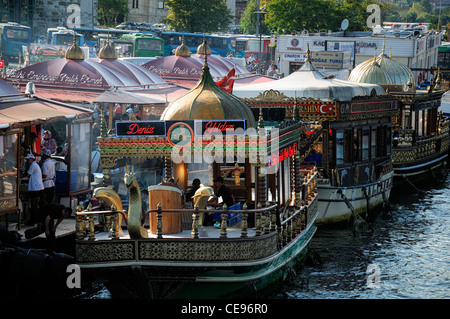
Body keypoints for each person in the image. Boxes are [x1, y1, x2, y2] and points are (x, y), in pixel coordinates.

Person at [24, 153, 44, 225]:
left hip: (36, 188)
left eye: (28, 160)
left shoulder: (33, 165)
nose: (27, 161)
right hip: (37, 188)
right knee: (35, 205)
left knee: (34, 205)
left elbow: (28, 175)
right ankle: (35, 219)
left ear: (31, 159)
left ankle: (34, 220)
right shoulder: (34, 165)